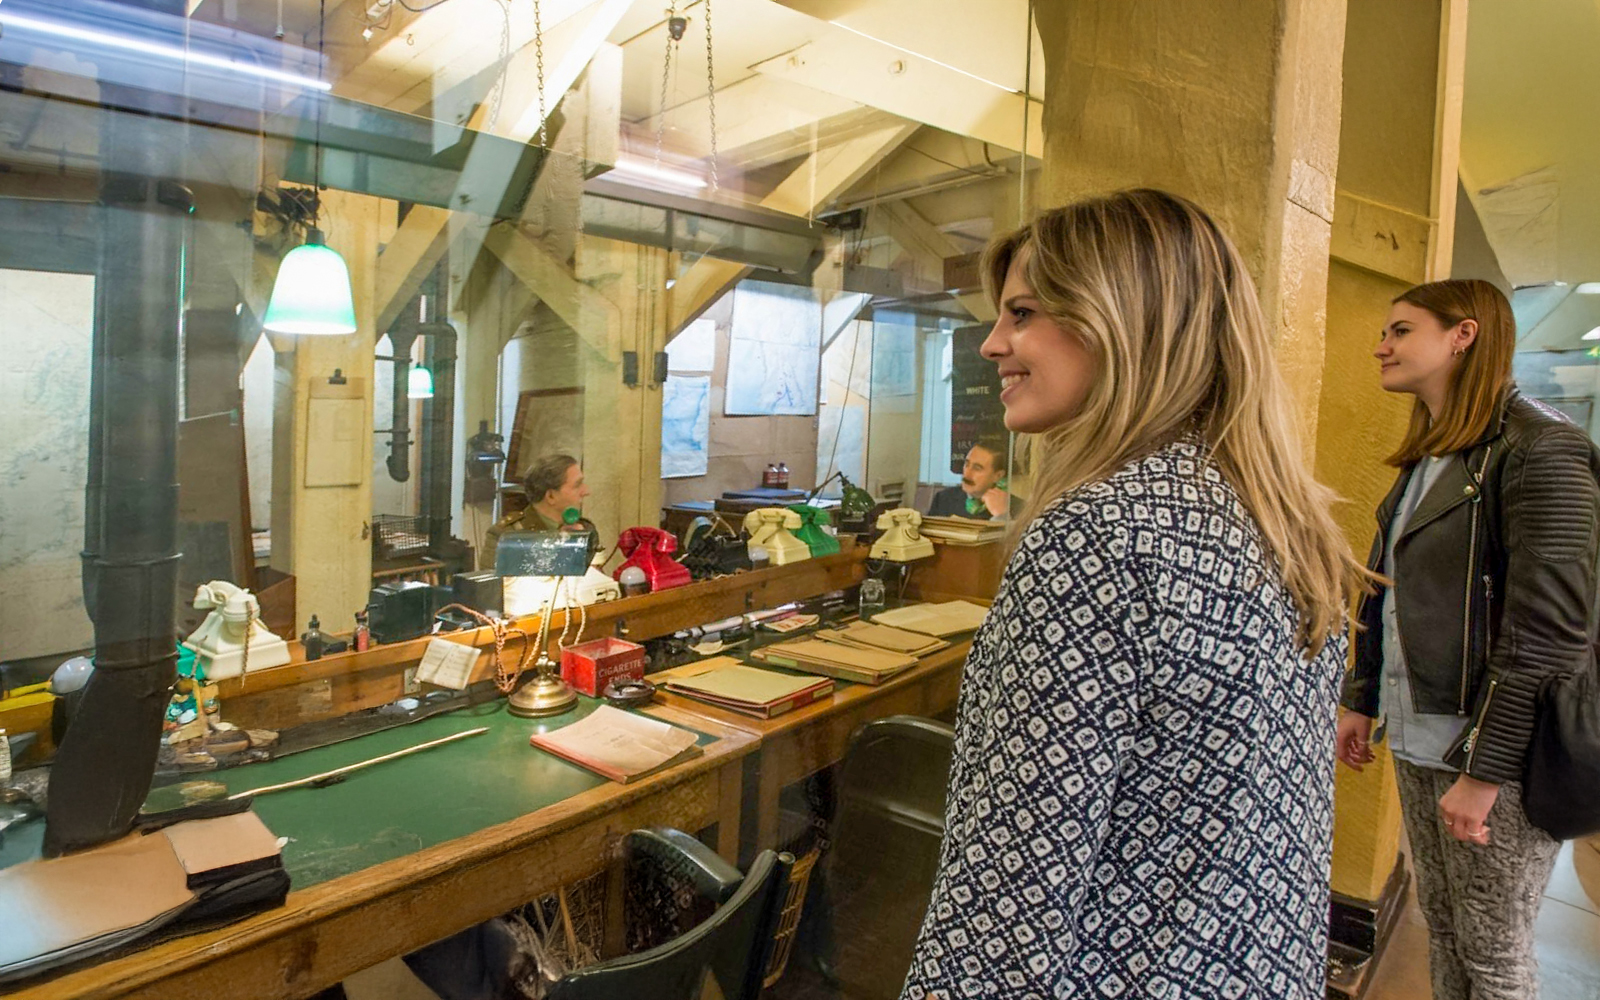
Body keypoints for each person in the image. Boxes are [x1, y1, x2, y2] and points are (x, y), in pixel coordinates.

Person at [900, 190, 1368, 1000]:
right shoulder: (1278, 520)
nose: (992, 344)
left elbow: (1012, 890)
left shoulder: (1096, 536)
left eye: (1022, 313)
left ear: (1119, 318)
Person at [1335, 279, 1598, 1000]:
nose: (1380, 345)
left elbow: (1549, 633)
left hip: (1495, 755)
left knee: (1496, 957)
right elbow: (1385, 586)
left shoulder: (1543, 449)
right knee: (1444, 928)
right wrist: (1361, 694)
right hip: (1422, 736)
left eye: (1401, 330)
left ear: (1464, 335)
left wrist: (1483, 773)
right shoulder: (1431, 454)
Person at [479, 453, 590, 571]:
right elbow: (491, 587)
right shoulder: (506, 536)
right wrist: (556, 547)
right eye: (577, 485)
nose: (586, 491)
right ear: (551, 496)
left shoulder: (584, 530)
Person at [926, 439, 1021, 520]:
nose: (967, 473)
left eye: (977, 468)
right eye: (966, 464)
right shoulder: (944, 499)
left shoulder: (1019, 508)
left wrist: (1001, 516)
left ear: (998, 476)